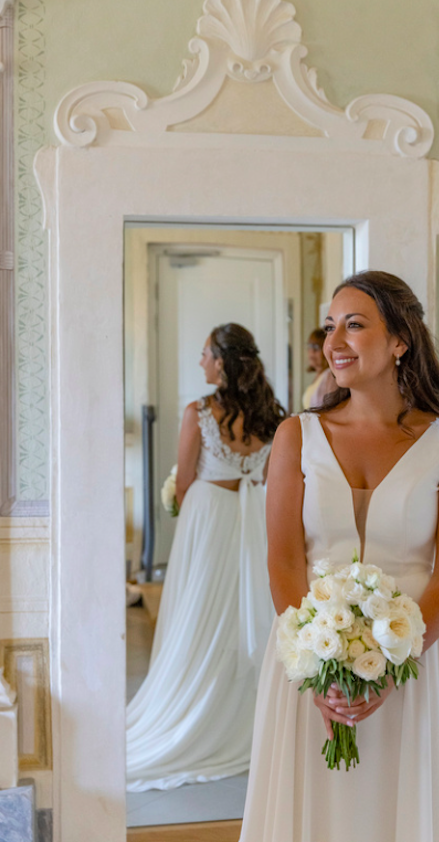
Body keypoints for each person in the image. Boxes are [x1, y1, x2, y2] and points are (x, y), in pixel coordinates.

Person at [240, 271, 439, 841]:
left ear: (400, 340)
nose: (335, 341)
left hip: (413, 663)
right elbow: (283, 560)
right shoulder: (296, 435)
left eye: (354, 325)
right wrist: (318, 664)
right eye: (330, 327)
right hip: (310, 664)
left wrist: (395, 669)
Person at [126, 323, 286, 792]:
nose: (200, 362)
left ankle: (194, 707)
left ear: (222, 361)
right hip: (254, 518)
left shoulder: (198, 411)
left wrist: (178, 501)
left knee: (196, 616)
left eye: (204, 354)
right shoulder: (273, 417)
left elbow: (186, 480)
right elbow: (274, 480)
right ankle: (243, 715)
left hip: (209, 520)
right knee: (247, 615)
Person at [302, 327, 336, 409]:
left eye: (317, 347)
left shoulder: (330, 376)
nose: (312, 351)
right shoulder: (319, 375)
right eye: (310, 346)